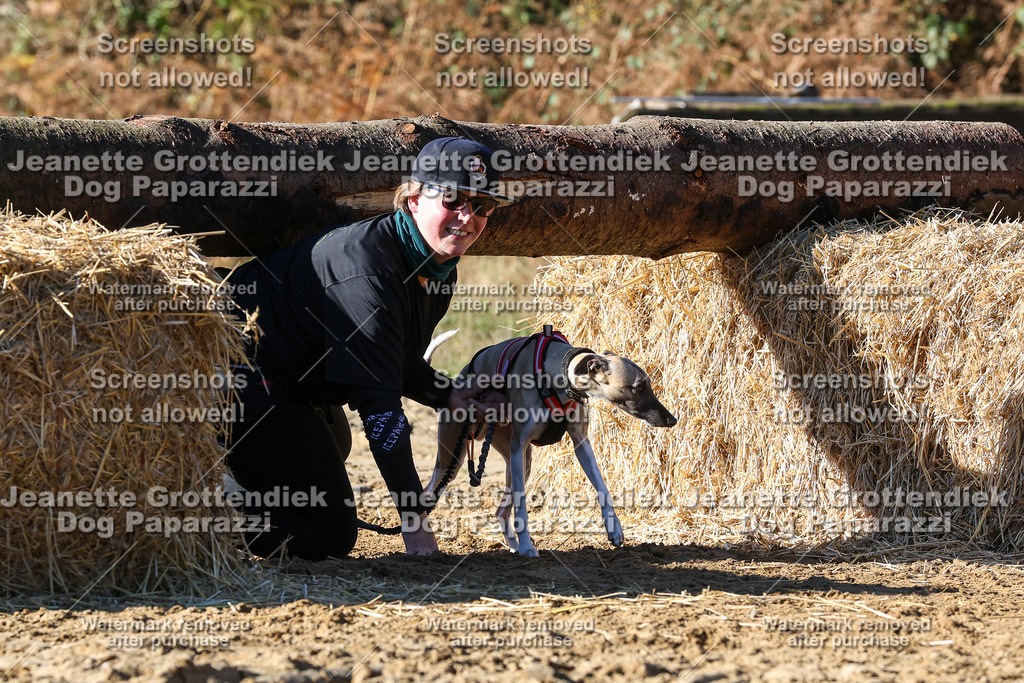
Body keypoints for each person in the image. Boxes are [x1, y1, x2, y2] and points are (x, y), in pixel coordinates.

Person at [222, 137, 512, 559]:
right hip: (236, 376)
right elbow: (379, 408)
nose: (467, 216)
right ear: (413, 199)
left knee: (335, 445)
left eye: (483, 204)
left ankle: (237, 483)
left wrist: (450, 395)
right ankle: (205, 508)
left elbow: (392, 363)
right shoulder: (370, 272)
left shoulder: (436, 266)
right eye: (452, 197)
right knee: (328, 535)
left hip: (291, 380)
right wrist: (415, 524)